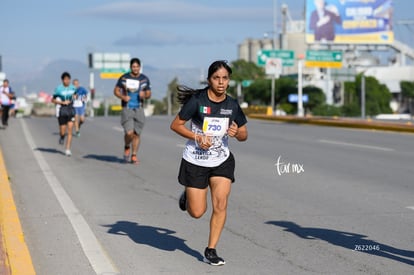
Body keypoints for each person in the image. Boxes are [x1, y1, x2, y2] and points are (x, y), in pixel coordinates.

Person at [170, 60, 248, 266]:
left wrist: (237, 132)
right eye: (216, 78)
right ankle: (188, 194)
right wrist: (197, 137)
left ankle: (211, 249)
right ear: (209, 80)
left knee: (221, 204)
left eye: (225, 78)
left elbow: (244, 134)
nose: (221, 82)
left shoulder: (232, 105)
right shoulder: (197, 101)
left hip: (221, 159)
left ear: (229, 80)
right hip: (195, 160)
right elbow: (176, 125)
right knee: (197, 212)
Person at [113, 58, 151, 164]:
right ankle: (126, 146)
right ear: (131, 67)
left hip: (139, 108)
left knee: (137, 134)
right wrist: (122, 96)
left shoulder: (144, 79)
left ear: (140, 67)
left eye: (137, 67)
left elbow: (149, 93)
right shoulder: (124, 78)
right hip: (127, 108)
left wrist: (145, 95)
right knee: (129, 133)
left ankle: (134, 155)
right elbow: (115, 90)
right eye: (133, 67)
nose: (135, 68)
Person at [52, 72, 76, 156]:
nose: (67, 81)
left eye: (68, 79)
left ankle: (68, 149)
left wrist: (74, 99)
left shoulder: (73, 88)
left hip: (70, 110)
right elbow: (53, 100)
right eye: (65, 79)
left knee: (70, 129)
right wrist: (61, 102)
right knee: (63, 130)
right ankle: (62, 137)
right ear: (62, 80)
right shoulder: (58, 89)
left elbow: (76, 96)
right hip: (62, 110)